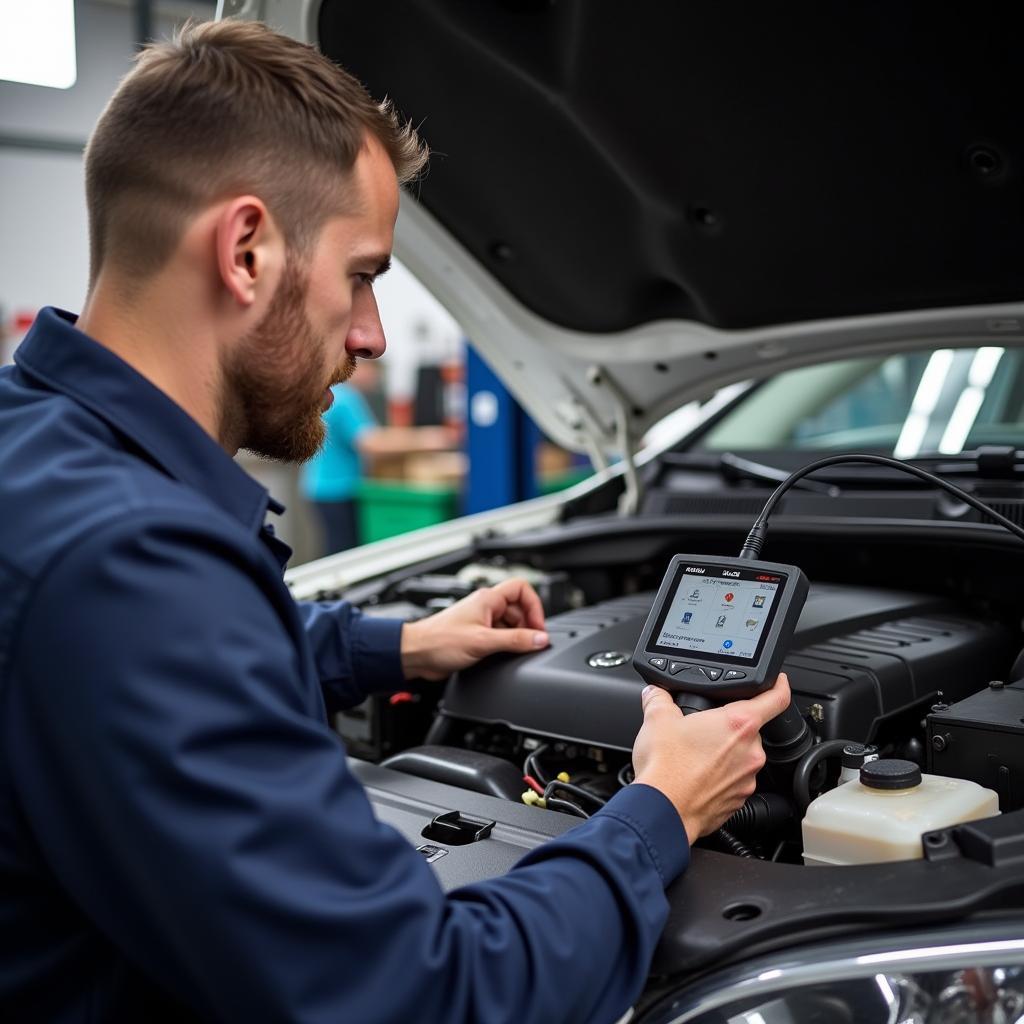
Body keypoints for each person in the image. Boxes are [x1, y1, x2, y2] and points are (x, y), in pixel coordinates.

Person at [0, 20, 790, 1024]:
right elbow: (421, 997)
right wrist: (658, 813)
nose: (371, 334)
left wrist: (400, 644)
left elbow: (141, 663)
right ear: (245, 251)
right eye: (364, 273)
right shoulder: (133, 563)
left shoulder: (36, 447)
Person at [301, 360, 380, 553]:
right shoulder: (346, 398)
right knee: (342, 552)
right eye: (372, 369)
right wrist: (429, 439)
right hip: (337, 489)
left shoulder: (339, 394)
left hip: (321, 487)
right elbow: (369, 443)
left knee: (334, 548)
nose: (375, 377)